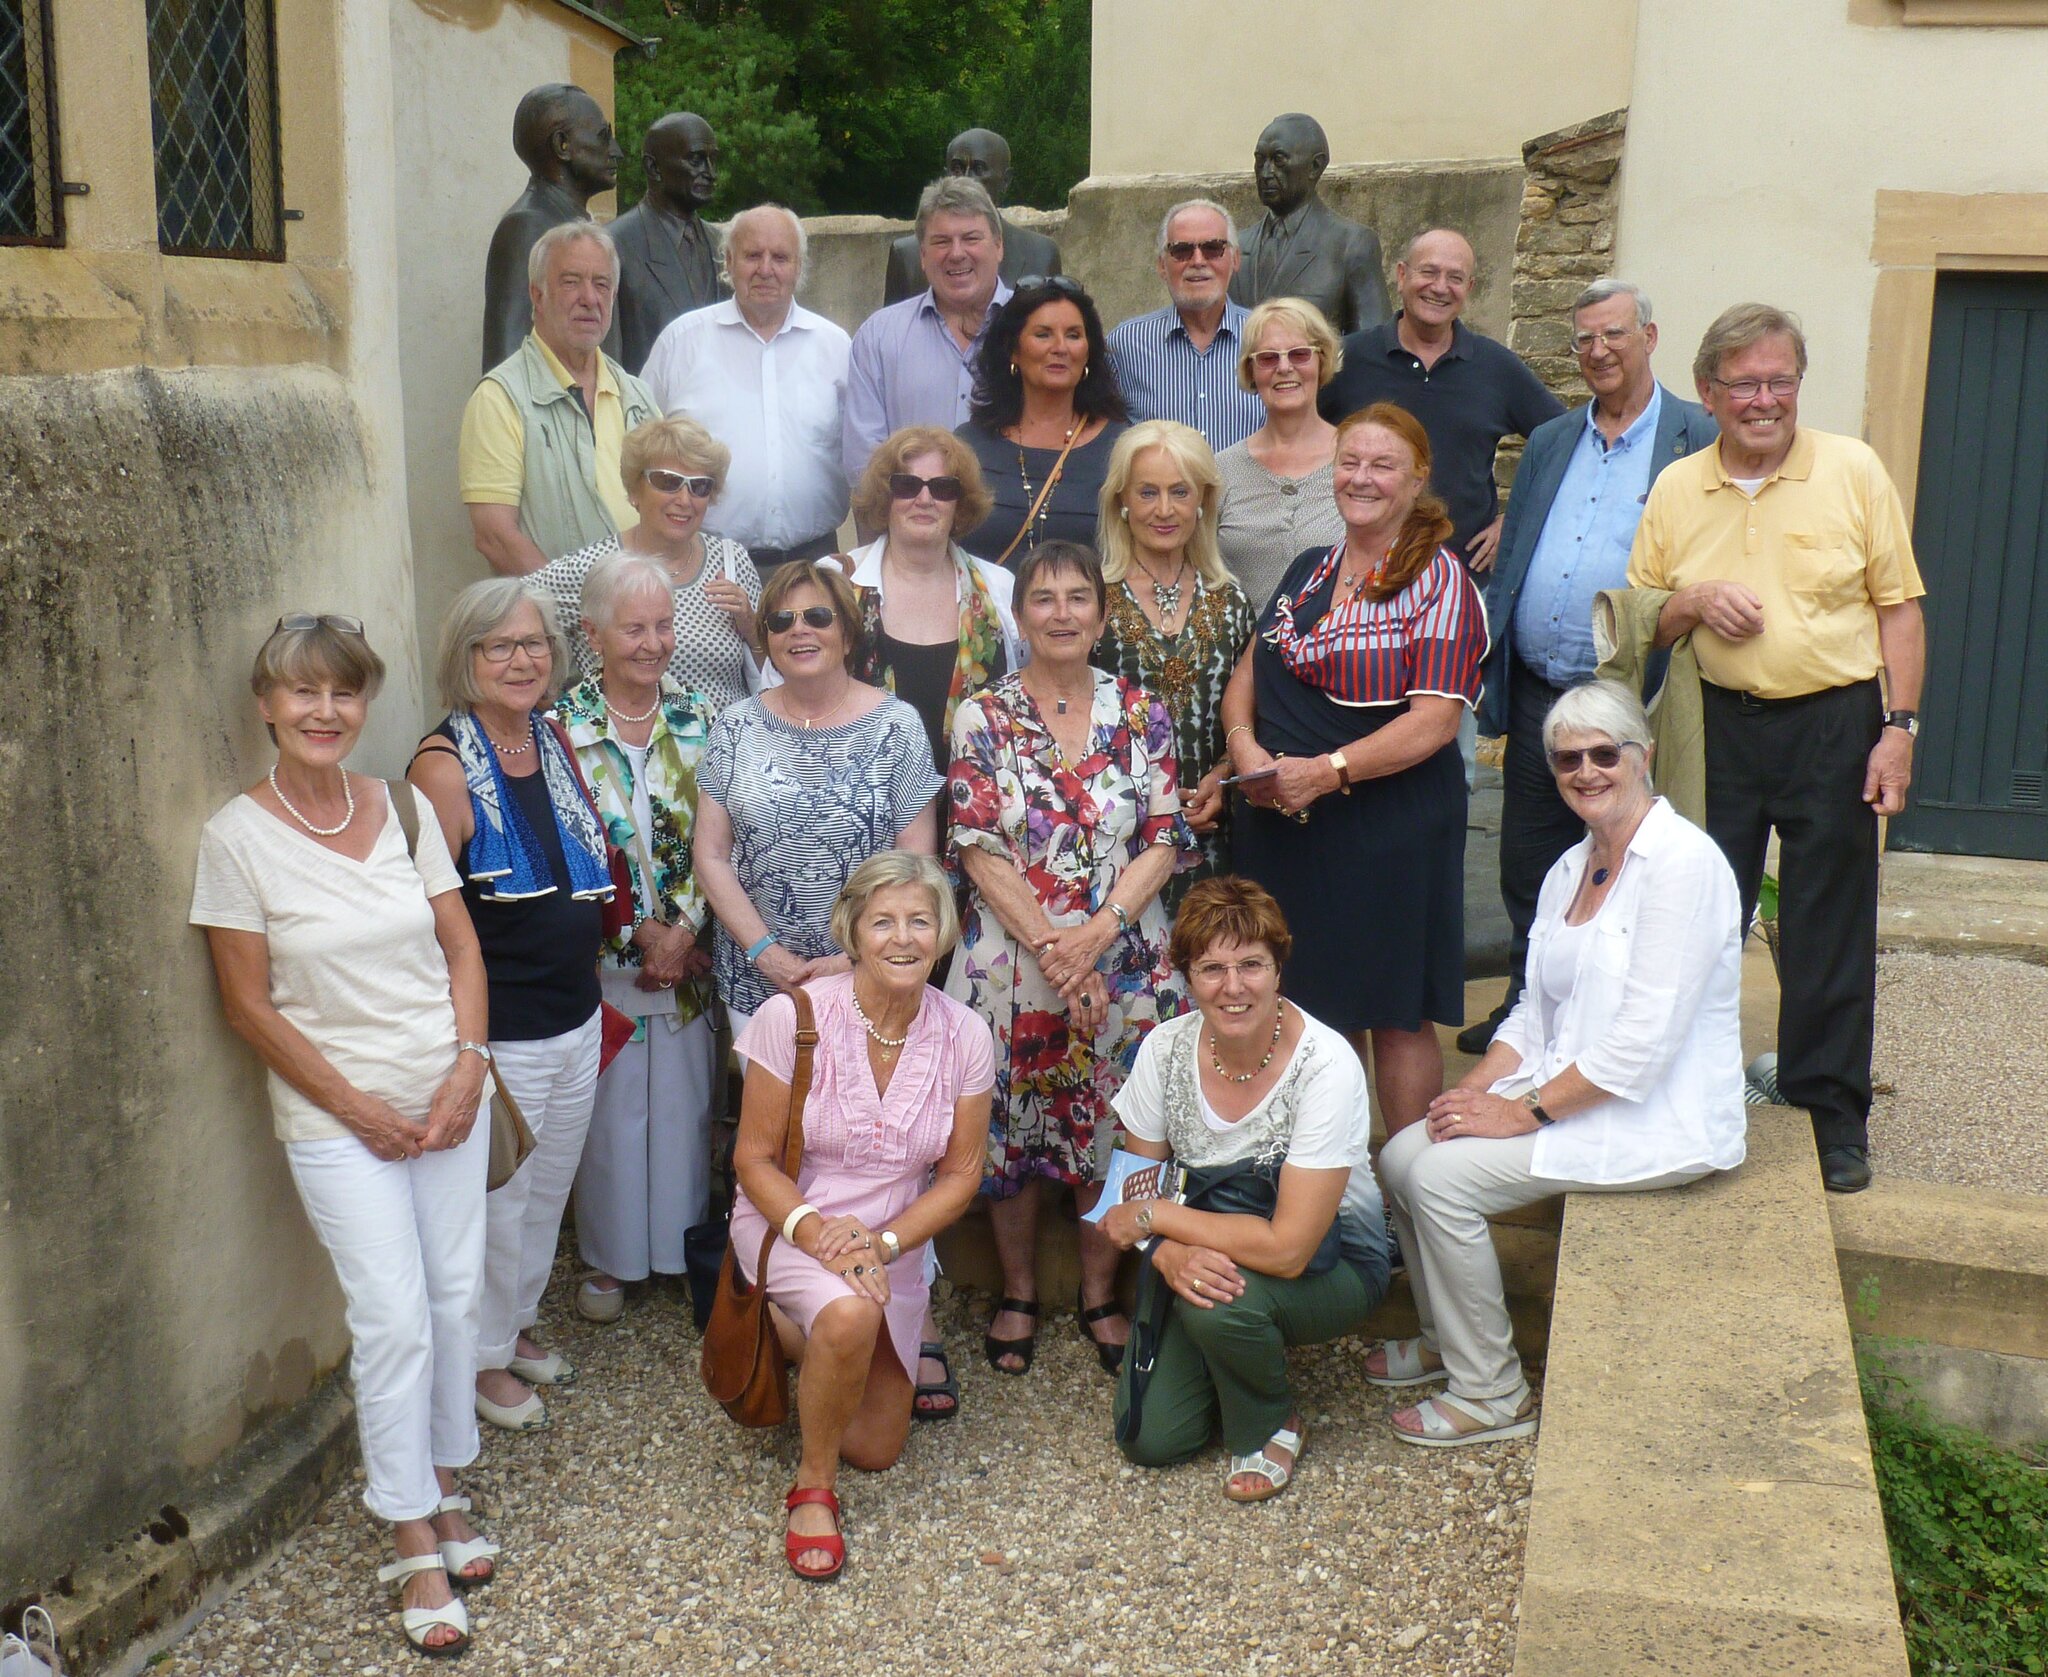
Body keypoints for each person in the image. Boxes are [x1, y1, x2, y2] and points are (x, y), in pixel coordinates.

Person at [191, 616, 497, 1658]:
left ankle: (446, 1480)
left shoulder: (403, 804)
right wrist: (360, 1108)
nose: (325, 712)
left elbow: (461, 949)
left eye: (344, 694)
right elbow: (248, 1007)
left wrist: (469, 1065)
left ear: (363, 705)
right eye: (301, 693)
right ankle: (411, 1532)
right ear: (267, 706)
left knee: (458, 1295)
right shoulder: (236, 838)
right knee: (394, 1316)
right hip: (339, 1120)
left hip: (450, 1097)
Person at [1373, 681, 1746, 1443]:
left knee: (1440, 1181)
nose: (1586, 771)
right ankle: (1450, 1338)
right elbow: (1529, 1015)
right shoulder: (1568, 868)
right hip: (1568, 1090)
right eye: (1567, 757)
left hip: (1652, 1114)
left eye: (1604, 753)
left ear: (1641, 756)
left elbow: (1642, 1043)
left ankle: (1492, 1392)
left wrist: (1518, 1111)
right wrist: (1471, 1091)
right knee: (1404, 1152)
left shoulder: (1682, 863)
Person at [1627, 304, 1926, 1194]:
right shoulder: (1679, 485)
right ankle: (1689, 1095)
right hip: (1713, 723)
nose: (1765, 400)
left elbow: (1899, 608)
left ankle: (1832, 1112)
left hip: (1833, 720)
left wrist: (1897, 731)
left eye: (1780, 381)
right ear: (1710, 393)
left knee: (1829, 922)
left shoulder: (1853, 469)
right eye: (1746, 383)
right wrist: (1693, 602)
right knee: (1694, 914)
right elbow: (1641, 614)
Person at [947, 541, 1194, 1378]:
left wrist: (1097, 936)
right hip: (1014, 964)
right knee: (1013, 1129)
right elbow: (978, 846)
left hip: (1128, 958)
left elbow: (1165, 837)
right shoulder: (981, 715)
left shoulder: (1143, 710)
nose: (1060, 612)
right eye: (1043, 599)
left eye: (1077, 597)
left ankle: (1100, 1289)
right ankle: (1018, 1290)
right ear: (1021, 617)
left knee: (1121, 1127)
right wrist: (1061, 951)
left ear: (1100, 612)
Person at [1460, 279, 1721, 1054]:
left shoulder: (1696, 437)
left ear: (1649, 335)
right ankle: (1525, 1004)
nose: (1599, 352)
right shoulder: (1550, 440)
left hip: (1632, 695)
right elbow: (1517, 552)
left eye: (1614, 335)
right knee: (1529, 859)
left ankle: (1617, 1019)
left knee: (1629, 852)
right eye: (1585, 341)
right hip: (1544, 688)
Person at [1221, 403, 1486, 1144]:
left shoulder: (1439, 580)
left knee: (1395, 1011)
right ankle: (1331, 1191)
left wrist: (1329, 771)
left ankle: (1409, 1194)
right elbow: (1249, 669)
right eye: (1350, 462)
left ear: (1417, 479)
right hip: (1288, 829)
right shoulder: (1311, 567)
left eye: (1382, 465)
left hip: (1387, 826)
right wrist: (1245, 750)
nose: (1361, 479)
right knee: (1311, 1009)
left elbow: (1435, 721)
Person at [728, 852, 994, 1581]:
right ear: (852, 931)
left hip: (891, 1238)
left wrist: (879, 1241)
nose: (903, 938)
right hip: (789, 1218)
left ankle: (798, 1341)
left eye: (920, 919)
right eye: (883, 921)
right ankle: (813, 1487)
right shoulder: (794, 1016)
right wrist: (819, 1233)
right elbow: (752, 1160)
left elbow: (962, 1174)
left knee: (878, 1445)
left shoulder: (966, 1034)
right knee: (846, 1315)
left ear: (942, 932)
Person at [1099, 878, 1392, 1500]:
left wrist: (1157, 1221)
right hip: (1207, 1237)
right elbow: (1124, 1203)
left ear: (1279, 968)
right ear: (1186, 976)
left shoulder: (1327, 1065)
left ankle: (1268, 1422)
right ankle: (1222, 1350)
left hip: (1332, 1262)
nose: (1234, 987)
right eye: (1212, 968)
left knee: (1222, 1303)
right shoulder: (1165, 1048)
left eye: (1251, 965)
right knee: (1152, 1442)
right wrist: (1165, 1251)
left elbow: (1289, 1248)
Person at [408, 581, 609, 1434]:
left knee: (546, 1191)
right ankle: (484, 1363)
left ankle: (513, 1326)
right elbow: (427, 920)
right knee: (497, 1205)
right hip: (507, 1031)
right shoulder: (442, 766)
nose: (523, 660)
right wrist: (467, 1043)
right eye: (501, 647)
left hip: (577, 1014)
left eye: (533, 644)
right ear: (466, 658)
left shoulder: (547, 736)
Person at [554, 553, 719, 1324]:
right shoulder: (560, 729)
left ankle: (679, 1250)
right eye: (634, 628)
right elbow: (569, 846)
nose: (653, 643)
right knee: (612, 1113)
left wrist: (683, 932)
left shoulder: (699, 718)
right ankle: (613, 1259)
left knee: (685, 1106)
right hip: (605, 958)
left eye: (663, 625)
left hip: (685, 953)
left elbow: (722, 835)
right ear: (592, 633)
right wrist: (634, 930)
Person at [695, 559, 945, 1044]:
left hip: (871, 977)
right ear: (767, 639)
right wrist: (766, 952)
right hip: (759, 981)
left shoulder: (898, 726)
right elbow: (710, 855)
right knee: (771, 1120)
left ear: (848, 634)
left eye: (818, 617)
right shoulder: (734, 726)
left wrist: (853, 958)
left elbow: (916, 867)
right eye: (782, 621)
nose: (800, 630)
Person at [1318, 229, 1564, 574]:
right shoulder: (1348, 359)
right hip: (1357, 577)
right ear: (1402, 275)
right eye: (1429, 272)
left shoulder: (1496, 367)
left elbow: (1568, 442)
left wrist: (1519, 517)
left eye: (1455, 278)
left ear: (1470, 289)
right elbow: (1296, 436)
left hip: (1462, 581)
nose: (1439, 287)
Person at [1094, 420, 1256, 911]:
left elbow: (1253, 718)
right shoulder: (1091, 604)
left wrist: (1225, 780)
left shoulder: (1232, 603)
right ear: (1121, 500)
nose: (1164, 510)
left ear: (1203, 500)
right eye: (1147, 492)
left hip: (1215, 851)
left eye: (1179, 492)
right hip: (1115, 849)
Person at [640, 204, 852, 573]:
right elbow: (638, 449)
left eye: (780, 257)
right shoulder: (681, 342)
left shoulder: (836, 347)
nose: (765, 269)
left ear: (799, 266)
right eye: (753, 255)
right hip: (705, 563)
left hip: (815, 562)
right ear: (729, 261)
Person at [462, 222, 661, 576]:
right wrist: (578, 605)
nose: (589, 298)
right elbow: (494, 536)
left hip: (641, 617)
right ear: (537, 295)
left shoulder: (638, 395)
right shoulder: (500, 398)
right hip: (554, 620)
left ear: (613, 297)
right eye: (571, 282)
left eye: (601, 284)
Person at [530, 415, 762, 711]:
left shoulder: (732, 561)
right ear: (634, 490)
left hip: (728, 748)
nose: (684, 499)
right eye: (668, 481)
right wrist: (549, 710)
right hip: (626, 750)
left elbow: (775, 676)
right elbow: (508, 621)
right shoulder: (593, 568)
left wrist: (752, 628)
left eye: (700, 486)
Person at [842, 426, 1024, 779]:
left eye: (942, 488)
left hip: (978, 817)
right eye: (907, 486)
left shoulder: (1000, 587)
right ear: (885, 496)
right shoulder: (838, 582)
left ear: (960, 502)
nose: (924, 500)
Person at [844, 177, 1013, 487]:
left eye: (971, 238)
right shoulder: (878, 338)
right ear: (922, 255)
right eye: (941, 242)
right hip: (914, 526)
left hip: (1018, 528)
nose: (957, 253)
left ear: (999, 246)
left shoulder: (1036, 328)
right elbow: (865, 469)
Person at [955, 278, 1130, 566]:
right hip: (983, 610)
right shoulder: (967, 445)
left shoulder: (1124, 448)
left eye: (1073, 335)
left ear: (1088, 352)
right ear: (1013, 350)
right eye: (1043, 334)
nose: (1060, 347)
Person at [1215, 297, 1347, 611]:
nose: (1284, 367)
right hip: (1246, 656)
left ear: (1321, 359)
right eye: (1268, 358)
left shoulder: (1357, 460)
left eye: (1300, 354)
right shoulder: (1220, 470)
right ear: (1251, 369)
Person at [1105, 200, 1266, 452]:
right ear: (1161, 266)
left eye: (1213, 248)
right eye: (1181, 251)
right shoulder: (1124, 346)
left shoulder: (1268, 338)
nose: (1198, 261)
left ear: (1235, 259)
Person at [481, 83, 621, 370]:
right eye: (603, 137)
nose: (616, 151)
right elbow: (505, 362)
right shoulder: (527, 226)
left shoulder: (573, 223)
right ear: (562, 145)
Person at [1227, 113, 1392, 337]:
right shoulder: (1235, 246)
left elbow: (1373, 347)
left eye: (1279, 160)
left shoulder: (1350, 245)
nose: (1266, 173)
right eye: (1260, 160)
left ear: (1315, 166)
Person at [881, 128, 1064, 303]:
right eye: (957, 169)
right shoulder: (906, 256)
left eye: (978, 169)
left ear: (1006, 180)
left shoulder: (1041, 253)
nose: (966, 180)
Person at [608, 112, 725, 375]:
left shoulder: (723, 245)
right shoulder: (613, 245)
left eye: (713, 160)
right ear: (654, 168)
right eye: (696, 159)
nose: (710, 173)